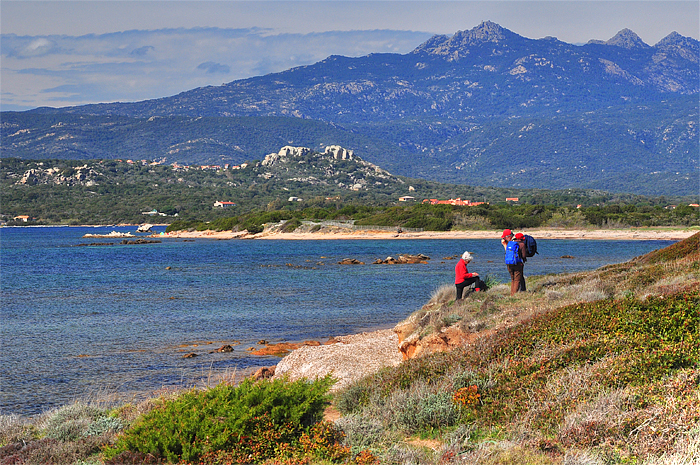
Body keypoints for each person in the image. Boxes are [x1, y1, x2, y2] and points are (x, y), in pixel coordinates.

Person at [501, 229, 527, 295]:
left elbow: (507, 253)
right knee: (517, 280)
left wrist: (504, 244)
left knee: (513, 279)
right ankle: (513, 295)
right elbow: (523, 255)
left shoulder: (509, 244)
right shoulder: (521, 244)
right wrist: (524, 259)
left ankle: (512, 293)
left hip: (509, 263)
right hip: (517, 263)